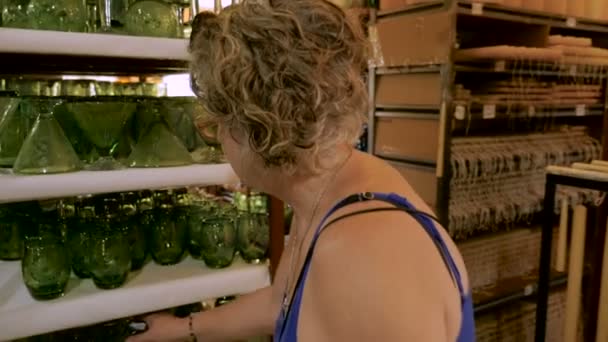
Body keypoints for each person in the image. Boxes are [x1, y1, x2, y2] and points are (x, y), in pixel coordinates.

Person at [127, 0, 475, 341]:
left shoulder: (364, 259)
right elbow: (284, 301)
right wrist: (183, 329)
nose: (217, 137)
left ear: (262, 129)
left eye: (218, 123)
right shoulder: (327, 194)